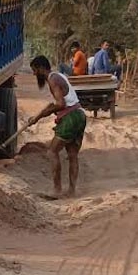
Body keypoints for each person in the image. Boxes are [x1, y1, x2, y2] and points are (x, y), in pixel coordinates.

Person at [28, 55, 87, 198]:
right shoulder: (59, 76)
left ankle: (57, 190)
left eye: (35, 70)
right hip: (79, 114)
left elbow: (61, 104)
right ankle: (72, 190)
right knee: (72, 155)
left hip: (70, 118)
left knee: (52, 151)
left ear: (41, 68)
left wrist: (41, 115)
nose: (34, 74)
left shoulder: (53, 79)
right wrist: (42, 113)